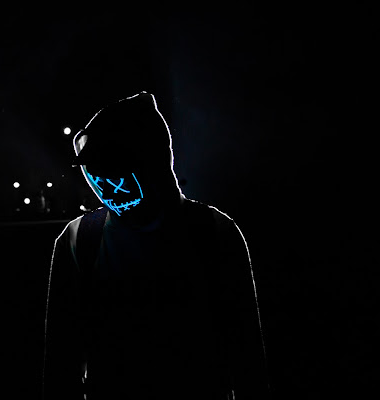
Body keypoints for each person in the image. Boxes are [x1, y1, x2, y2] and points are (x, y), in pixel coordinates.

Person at [42, 92, 269, 399]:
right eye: (95, 168)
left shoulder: (214, 232)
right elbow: (60, 360)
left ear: (152, 161)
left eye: (114, 165)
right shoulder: (78, 239)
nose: (105, 183)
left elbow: (247, 353)